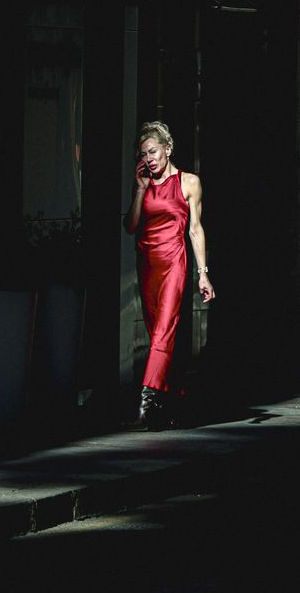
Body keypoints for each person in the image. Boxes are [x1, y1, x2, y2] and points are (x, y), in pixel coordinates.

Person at [125, 120, 215, 429]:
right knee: (158, 336)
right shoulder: (143, 183)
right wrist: (139, 191)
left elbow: (196, 230)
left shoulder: (189, 182)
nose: (148, 159)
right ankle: (173, 400)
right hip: (147, 264)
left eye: (153, 151)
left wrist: (203, 274)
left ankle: (146, 403)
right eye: (143, 154)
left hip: (174, 262)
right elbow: (131, 226)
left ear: (168, 148)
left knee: (164, 331)